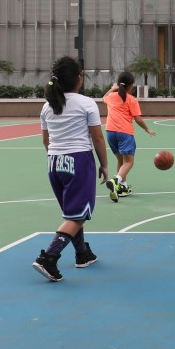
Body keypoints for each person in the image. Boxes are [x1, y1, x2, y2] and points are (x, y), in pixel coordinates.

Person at [32, 56, 111, 281]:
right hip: (78, 160)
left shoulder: (48, 106)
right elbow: (97, 139)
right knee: (77, 216)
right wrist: (104, 165)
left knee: (73, 213)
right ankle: (49, 256)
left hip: (54, 163)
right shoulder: (86, 103)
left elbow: (46, 142)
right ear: (79, 79)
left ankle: (82, 254)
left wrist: (57, 158)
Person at [103, 71, 156, 199]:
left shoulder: (111, 97)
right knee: (129, 162)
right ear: (130, 85)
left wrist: (112, 89)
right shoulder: (131, 99)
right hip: (124, 133)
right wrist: (147, 129)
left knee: (120, 160)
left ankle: (122, 187)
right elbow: (137, 119)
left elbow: (103, 97)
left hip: (110, 132)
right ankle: (116, 181)